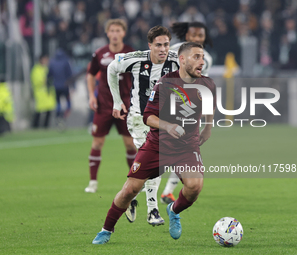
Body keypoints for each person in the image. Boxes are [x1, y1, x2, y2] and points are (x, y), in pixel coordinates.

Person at [92, 42, 216, 244]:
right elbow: (148, 117)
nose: (202, 62)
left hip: (187, 147)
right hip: (157, 145)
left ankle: (173, 210)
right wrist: (168, 126)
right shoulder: (165, 84)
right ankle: (106, 229)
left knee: (195, 187)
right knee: (130, 190)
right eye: (196, 57)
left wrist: (208, 127)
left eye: (202, 57)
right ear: (182, 60)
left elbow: (210, 105)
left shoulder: (208, 84)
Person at [107, 25, 179, 226]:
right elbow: (111, 68)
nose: (163, 49)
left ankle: (128, 197)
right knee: (154, 161)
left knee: (155, 165)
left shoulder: (175, 59)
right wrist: (116, 101)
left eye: (166, 44)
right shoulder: (137, 58)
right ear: (150, 46)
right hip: (139, 118)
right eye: (158, 45)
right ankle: (153, 211)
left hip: (161, 121)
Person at [161, 21, 213, 204]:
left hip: (187, 109)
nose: (197, 38)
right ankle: (149, 192)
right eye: (194, 35)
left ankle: (167, 191)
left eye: (201, 35)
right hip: (164, 105)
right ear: (186, 36)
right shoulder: (172, 51)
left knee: (184, 151)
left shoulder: (206, 58)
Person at [84, 19, 137, 194]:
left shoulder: (131, 53)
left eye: (118, 30)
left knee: (130, 144)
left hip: (125, 106)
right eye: (112, 30)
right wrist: (92, 95)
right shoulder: (100, 54)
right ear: (107, 33)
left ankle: (135, 180)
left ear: (123, 33)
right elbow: (90, 74)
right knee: (97, 142)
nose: (115, 34)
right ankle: (93, 182)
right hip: (104, 105)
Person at [47, 48, 73, 127]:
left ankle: (58, 116)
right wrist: (73, 85)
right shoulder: (65, 62)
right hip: (65, 86)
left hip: (56, 86)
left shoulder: (52, 62)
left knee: (58, 102)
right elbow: (70, 74)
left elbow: (49, 75)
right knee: (68, 102)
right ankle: (64, 116)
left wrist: (48, 86)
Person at [31, 54, 56, 128]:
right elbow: (36, 80)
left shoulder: (47, 68)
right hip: (40, 93)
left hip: (48, 93)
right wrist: (45, 80)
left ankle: (45, 126)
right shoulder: (36, 69)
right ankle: (35, 126)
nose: (46, 61)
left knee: (49, 111)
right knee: (39, 111)